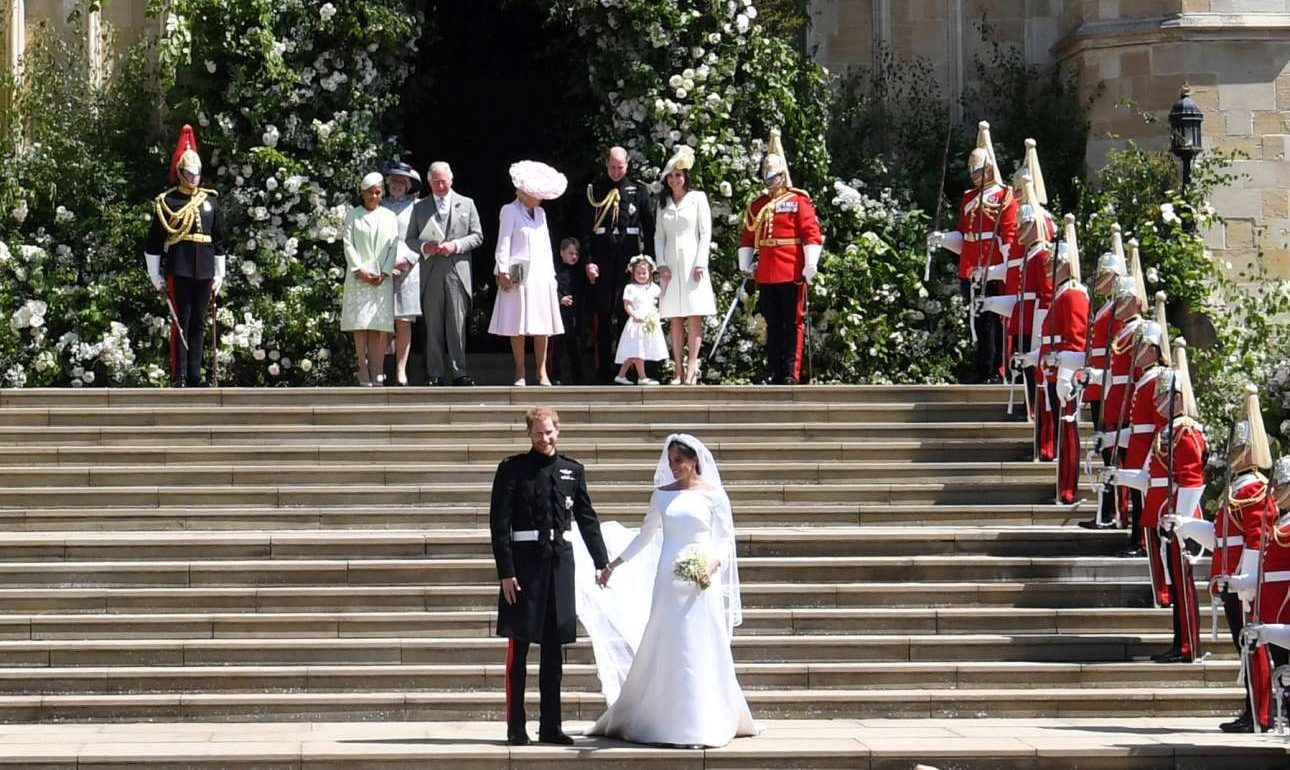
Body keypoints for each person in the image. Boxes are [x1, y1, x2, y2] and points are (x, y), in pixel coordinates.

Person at [583, 434, 758, 748]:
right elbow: (645, 536)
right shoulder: (662, 495)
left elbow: (725, 540)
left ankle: (702, 721)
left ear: (694, 460)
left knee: (701, 642)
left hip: (701, 578)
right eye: (671, 460)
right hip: (668, 579)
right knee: (669, 641)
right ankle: (665, 718)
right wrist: (613, 564)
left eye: (680, 460)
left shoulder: (714, 494)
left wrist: (711, 564)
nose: (674, 466)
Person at [489, 406, 610, 746]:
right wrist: (506, 572)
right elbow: (499, 524)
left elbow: (587, 518)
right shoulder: (512, 469)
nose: (544, 438)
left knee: (554, 654)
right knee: (519, 652)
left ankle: (551, 726)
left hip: (559, 566)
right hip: (524, 569)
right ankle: (516, 727)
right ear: (529, 433)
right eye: (538, 433)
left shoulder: (572, 470)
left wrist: (601, 561)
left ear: (558, 430)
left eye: (549, 432)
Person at [1169, 384, 1275, 732]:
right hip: (1231, 579)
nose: (1232, 453)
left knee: (1252, 647)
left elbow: (1257, 538)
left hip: (1243, 581)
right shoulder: (1237, 488)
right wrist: (1186, 524)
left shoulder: (1254, 488)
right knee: (1244, 646)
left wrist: (1247, 580)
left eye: (1238, 448)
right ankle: (1252, 709)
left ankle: (1259, 714)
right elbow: (1220, 539)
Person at [1104, 337, 1206, 663]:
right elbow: (1149, 478)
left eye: (1163, 397)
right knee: (1175, 585)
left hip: (1175, 517)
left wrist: (1183, 523)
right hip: (1163, 513)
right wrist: (1119, 477)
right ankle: (1180, 643)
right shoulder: (1168, 433)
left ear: (1177, 399)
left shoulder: (1185, 432)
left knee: (1183, 588)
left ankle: (1188, 647)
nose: (1158, 403)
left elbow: (1192, 481)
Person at [929, 122, 1017, 384]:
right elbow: (964, 236)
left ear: (989, 170)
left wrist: (1007, 266)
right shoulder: (968, 198)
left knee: (991, 317)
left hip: (993, 264)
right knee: (977, 317)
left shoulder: (1004, 196)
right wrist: (943, 239)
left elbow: (1009, 235)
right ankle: (982, 363)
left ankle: (994, 367)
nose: (973, 177)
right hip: (971, 265)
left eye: (978, 171)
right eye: (972, 172)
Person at [737, 129, 824, 385]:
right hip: (765, 272)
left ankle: (790, 372)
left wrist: (811, 262)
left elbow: (811, 233)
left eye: (773, 175)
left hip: (791, 269)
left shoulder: (798, 200)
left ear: (782, 175)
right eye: (766, 176)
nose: (769, 180)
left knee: (793, 321)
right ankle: (774, 370)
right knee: (772, 323)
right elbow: (748, 236)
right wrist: (745, 264)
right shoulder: (757, 204)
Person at [144, 124, 226, 387]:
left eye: (197, 173)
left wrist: (220, 273)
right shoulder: (168, 202)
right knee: (182, 320)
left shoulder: (210, 201)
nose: (194, 178)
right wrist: (155, 275)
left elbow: (218, 240)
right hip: (180, 267)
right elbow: (154, 242)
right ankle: (179, 375)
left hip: (204, 269)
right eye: (189, 173)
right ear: (180, 173)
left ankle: (194, 374)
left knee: (199, 323)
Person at [982, 140, 1052, 423]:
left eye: (1022, 189)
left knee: (1031, 363)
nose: (1018, 194)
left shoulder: (1041, 225)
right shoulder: (1025, 231)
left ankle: (1033, 408)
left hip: (1033, 312)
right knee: (1021, 360)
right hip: (1022, 308)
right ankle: (1029, 405)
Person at [489, 161, 567, 387]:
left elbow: (546, 246)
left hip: (541, 274)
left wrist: (552, 276)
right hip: (518, 273)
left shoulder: (541, 213)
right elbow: (503, 241)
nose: (540, 199)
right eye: (536, 194)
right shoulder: (509, 210)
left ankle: (542, 372)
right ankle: (520, 370)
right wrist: (502, 270)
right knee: (518, 322)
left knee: (542, 324)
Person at [407, 161, 484, 386]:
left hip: (456, 270)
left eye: (443, 181)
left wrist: (456, 245)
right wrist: (424, 247)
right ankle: (435, 373)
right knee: (433, 325)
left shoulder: (467, 203)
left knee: (457, 324)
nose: (440, 186)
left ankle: (459, 372)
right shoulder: (419, 207)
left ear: (451, 179)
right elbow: (410, 239)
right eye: (435, 182)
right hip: (431, 271)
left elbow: (478, 235)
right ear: (429, 182)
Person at [1231, 456, 1290, 732]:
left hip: (1284, 605)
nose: (1275, 491)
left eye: (1282, 487)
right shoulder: (1280, 523)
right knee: (1281, 667)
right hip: (1272, 605)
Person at [585, 147, 655, 382]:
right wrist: (588, 261)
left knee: (629, 312)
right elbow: (586, 228)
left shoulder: (638, 190)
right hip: (603, 256)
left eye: (620, 167)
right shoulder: (595, 189)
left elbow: (648, 227)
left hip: (629, 256)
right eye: (612, 167)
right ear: (606, 164)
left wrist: (650, 262)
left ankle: (631, 370)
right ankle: (603, 370)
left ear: (627, 164)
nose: (616, 172)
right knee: (603, 312)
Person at [1034, 214, 1088, 505]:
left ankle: (1069, 489)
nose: (1047, 270)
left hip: (1064, 374)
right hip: (1053, 371)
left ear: (1065, 265)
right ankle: (1063, 487)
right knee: (1060, 432)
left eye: (1051, 266)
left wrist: (1067, 374)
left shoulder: (1072, 295)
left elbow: (1077, 341)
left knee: (1068, 434)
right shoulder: (1061, 294)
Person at [655, 146, 716, 385]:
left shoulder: (697, 198)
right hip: (670, 265)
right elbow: (659, 236)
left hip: (692, 264)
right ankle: (677, 369)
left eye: (678, 175)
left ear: (686, 176)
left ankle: (692, 367)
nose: (674, 180)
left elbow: (705, 232)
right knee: (675, 318)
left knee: (693, 315)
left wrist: (701, 262)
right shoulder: (663, 203)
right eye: (670, 176)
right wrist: (661, 264)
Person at [340, 172, 399, 386]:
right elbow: (348, 244)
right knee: (361, 324)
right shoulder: (353, 215)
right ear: (363, 194)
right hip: (359, 278)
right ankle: (362, 368)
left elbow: (393, 245)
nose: (374, 196)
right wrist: (360, 270)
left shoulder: (389, 216)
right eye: (370, 193)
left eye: (377, 192)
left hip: (381, 278)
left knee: (376, 325)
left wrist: (384, 272)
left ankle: (377, 369)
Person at [381, 161, 422, 386]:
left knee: (404, 321)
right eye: (394, 181)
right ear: (388, 183)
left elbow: (423, 237)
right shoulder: (379, 205)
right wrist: (386, 264)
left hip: (408, 269)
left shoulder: (417, 206)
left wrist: (407, 259)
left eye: (401, 181)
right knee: (382, 321)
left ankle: (401, 371)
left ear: (407, 185)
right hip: (383, 269)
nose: (397, 185)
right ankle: (381, 368)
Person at [614, 255, 668, 386]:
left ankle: (621, 375)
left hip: (648, 322)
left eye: (644, 273)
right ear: (633, 273)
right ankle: (642, 377)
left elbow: (661, 294)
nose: (641, 275)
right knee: (638, 350)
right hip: (637, 322)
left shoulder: (652, 287)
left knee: (635, 351)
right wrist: (634, 315)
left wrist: (665, 282)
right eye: (638, 273)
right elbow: (627, 304)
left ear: (650, 273)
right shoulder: (630, 287)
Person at [552, 237, 590, 385]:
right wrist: (560, 299)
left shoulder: (581, 270)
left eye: (576, 254)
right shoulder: (554, 269)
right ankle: (556, 376)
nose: (574, 257)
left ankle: (578, 377)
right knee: (558, 345)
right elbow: (549, 288)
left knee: (576, 344)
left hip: (576, 312)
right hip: (559, 311)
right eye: (570, 253)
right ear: (562, 252)